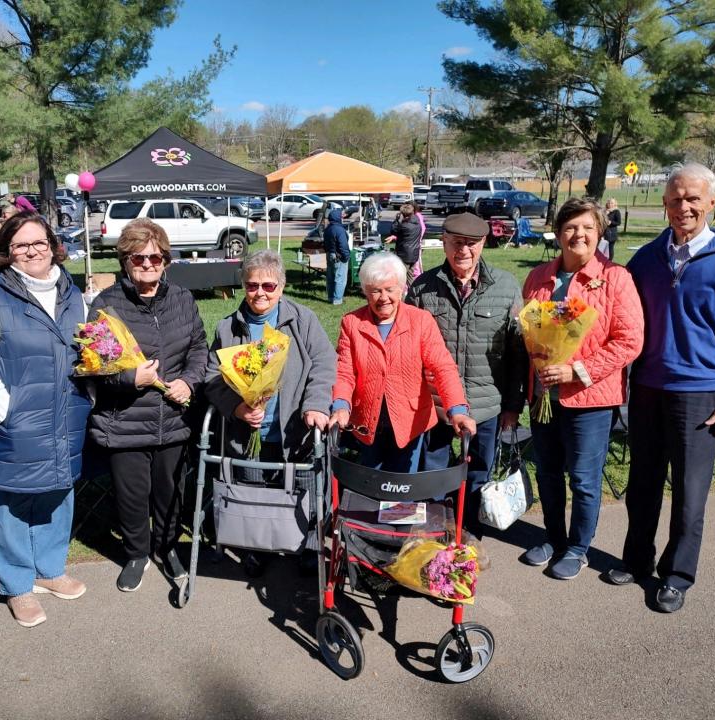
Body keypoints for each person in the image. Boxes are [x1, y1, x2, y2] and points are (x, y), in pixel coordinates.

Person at [608, 163, 715, 612]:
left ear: (710, 202)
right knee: (641, 484)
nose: (682, 207)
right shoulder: (647, 258)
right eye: (674, 199)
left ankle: (678, 574)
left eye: (692, 199)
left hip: (702, 392)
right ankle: (636, 560)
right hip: (648, 387)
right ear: (664, 203)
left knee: (689, 493)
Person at [0, 211, 91, 628]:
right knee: (8, 501)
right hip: (12, 421)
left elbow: (85, 348)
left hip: (65, 415)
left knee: (57, 494)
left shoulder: (73, 292)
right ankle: (17, 585)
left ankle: (49, 570)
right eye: (20, 245)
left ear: (53, 246)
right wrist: (7, 410)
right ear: (5, 252)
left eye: (39, 243)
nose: (32, 251)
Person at [520, 198, 644, 580]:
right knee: (548, 473)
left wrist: (577, 370)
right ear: (558, 234)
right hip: (543, 396)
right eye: (571, 227)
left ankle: (578, 547)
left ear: (599, 234)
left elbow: (629, 341)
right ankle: (554, 537)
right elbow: (532, 328)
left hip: (589, 398)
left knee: (585, 479)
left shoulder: (615, 278)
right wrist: (535, 348)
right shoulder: (539, 277)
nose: (580, 235)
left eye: (588, 228)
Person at [88, 218, 208, 592]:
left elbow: (199, 349)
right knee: (132, 496)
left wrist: (188, 382)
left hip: (172, 419)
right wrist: (129, 379)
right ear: (125, 260)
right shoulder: (106, 306)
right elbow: (93, 366)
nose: (148, 265)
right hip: (125, 421)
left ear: (166, 261)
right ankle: (137, 552)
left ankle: (167, 547)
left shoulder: (182, 300)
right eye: (139, 258)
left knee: (170, 493)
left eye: (156, 258)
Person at [205, 250, 336, 576]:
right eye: (252, 286)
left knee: (305, 490)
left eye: (268, 285)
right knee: (255, 493)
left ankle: (309, 544)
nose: (260, 293)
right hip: (250, 434)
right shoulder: (227, 328)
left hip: (296, 430)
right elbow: (211, 378)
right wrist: (237, 407)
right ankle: (256, 546)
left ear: (282, 286)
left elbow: (324, 364)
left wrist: (316, 404)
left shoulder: (303, 320)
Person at [407, 212, 528, 536]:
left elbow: (519, 354)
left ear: (484, 243)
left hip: (486, 405)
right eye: (456, 242)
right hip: (435, 407)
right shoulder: (423, 288)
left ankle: (468, 532)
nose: (464, 251)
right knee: (432, 473)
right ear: (443, 242)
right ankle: (432, 535)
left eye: (471, 244)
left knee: (477, 474)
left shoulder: (506, 286)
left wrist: (513, 406)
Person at [330, 252, 476, 472]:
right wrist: (340, 405)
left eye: (390, 289)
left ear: (401, 289)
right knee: (370, 485)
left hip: (410, 422)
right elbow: (344, 372)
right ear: (365, 291)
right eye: (375, 291)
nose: (383, 298)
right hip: (367, 422)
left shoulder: (420, 321)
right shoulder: (351, 323)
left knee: (402, 492)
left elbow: (442, 367)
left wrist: (457, 409)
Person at [385, 203, 423, 285]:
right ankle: (414, 296)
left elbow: (393, 230)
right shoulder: (417, 223)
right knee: (410, 277)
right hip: (414, 254)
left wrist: (397, 220)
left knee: (400, 278)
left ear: (403, 214)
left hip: (404, 255)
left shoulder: (404, 226)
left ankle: (400, 296)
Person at [323, 207, 350, 305]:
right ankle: (337, 299)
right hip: (339, 256)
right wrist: (346, 256)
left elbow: (325, 243)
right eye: (341, 215)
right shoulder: (339, 229)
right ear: (337, 217)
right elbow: (343, 245)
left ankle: (330, 297)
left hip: (329, 254)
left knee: (330, 277)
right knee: (340, 278)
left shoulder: (328, 229)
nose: (342, 217)